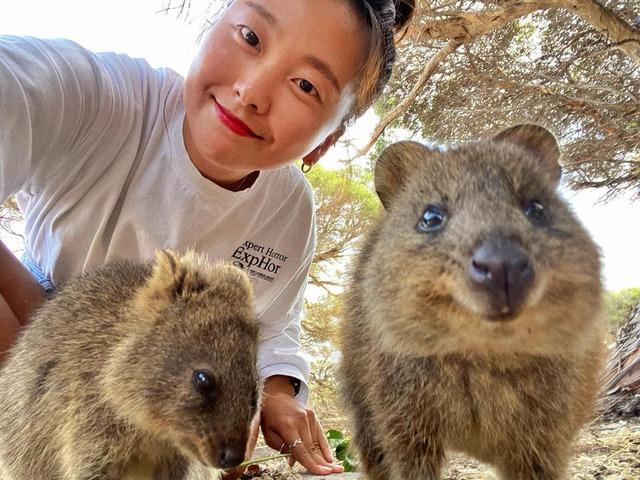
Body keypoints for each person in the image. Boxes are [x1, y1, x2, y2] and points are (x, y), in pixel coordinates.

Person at [0, 0, 415, 477]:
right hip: (40, 330)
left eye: (305, 86)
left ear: (325, 141)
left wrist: (276, 394)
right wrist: (43, 326)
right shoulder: (100, 96)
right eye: (251, 37)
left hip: (171, 387)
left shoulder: (290, 210)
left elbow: (274, 324)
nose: (251, 92)